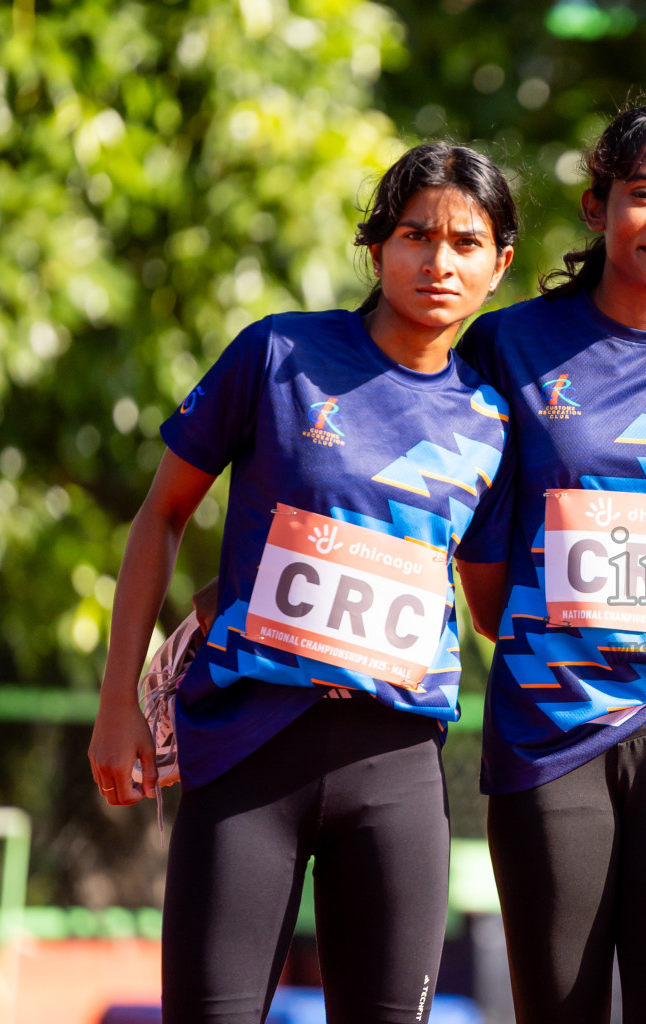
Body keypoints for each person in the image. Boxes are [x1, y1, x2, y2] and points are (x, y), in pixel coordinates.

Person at [87, 143, 518, 1024]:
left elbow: (487, 608)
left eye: (467, 242)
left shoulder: (492, 421)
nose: (439, 261)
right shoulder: (278, 352)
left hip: (396, 771)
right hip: (247, 752)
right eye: (415, 235)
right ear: (375, 250)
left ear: (500, 263)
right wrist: (118, 703)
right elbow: (161, 515)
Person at [452, 102, 646, 1024]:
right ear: (596, 207)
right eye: (643, 195)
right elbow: (481, 570)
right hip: (550, 730)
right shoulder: (506, 346)